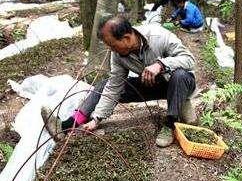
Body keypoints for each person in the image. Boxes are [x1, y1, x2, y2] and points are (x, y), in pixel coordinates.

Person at [41, 15, 196, 147]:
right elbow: (115, 85)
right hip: (152, 85)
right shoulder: (118, 55)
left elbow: (189, 60)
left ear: (127, 38)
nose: (111, 50)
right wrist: (97, 118)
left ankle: (170, 124)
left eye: (113, 45)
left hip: (179, 84)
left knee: (180, 75)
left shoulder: (158, 37)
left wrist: (161, 65)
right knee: (103, 85)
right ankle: (68, 125)